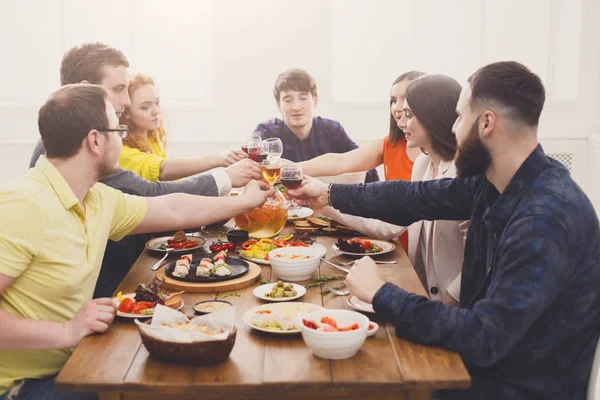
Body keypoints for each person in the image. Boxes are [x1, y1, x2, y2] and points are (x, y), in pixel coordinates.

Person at [287, 61, 600, 399]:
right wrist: (329, 193)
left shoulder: (545, 217)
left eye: (459, 117)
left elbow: (483, 337)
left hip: (511, 385)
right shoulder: (494, 182)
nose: (452, 129)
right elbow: (413, 197)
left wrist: (382, 293)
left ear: (487, 123)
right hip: (483, 366)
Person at [0, 84, 273, 400]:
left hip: (72, 362)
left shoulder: (97, 198)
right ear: (95, 140)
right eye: (118, 128)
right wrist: (65, 332)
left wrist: (245, 202)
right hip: (22, 386)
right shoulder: (23, 205)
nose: (123, 138)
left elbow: (173, 208)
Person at [28, 43, 260, 298]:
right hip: (105, 292)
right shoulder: (37, 190)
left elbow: (171, 208)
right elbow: (152, 192)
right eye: (118, 90)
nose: (126, 102)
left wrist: (243, 201)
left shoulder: (102, 195)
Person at [323, 74, 465, 304]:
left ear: (433, 115)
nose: (401, 122)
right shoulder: (423, 165)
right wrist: (323, 203)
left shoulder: (464, 173)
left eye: (409, 114)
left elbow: (479, 258)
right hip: (425, 296)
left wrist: (449, 301)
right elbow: (390, 225)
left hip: (456, 309)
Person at [298, 71, 425, 251]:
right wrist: (289, 169)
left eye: (404, 98)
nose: (397, 107)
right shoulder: (390, 144)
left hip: (412, 248)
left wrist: (324, 197)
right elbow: (340, 162)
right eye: (393, 100)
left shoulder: (430, 159)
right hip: (397, 248)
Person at [118, 73, 252, 181]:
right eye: (145, 107)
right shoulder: (121, 151)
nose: (156, 111)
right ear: (126, 113)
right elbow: (162, 171)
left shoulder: (151, 137)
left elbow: (173, 183)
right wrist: (218, 161)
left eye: (157, 102)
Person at [253, 68, 379, 183]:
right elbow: (255, 171)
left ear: (315, 100)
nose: (296, 107)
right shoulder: (267, 132)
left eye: (303, 98)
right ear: (279, 105)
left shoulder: (332, 130)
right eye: (288, 100)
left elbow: (366, 168)